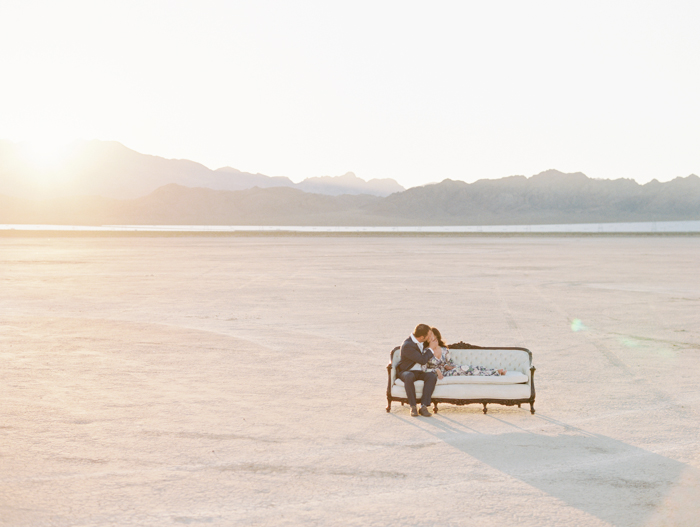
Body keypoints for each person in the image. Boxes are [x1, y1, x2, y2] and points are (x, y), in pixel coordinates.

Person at [424, 327, 506, 377]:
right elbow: (424, 369)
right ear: (427, 340)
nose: (434, 341)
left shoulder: (444, 350)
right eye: (431, 340)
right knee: (465, 369)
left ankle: (494, 371)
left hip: (449, 371)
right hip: (439, 375)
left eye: (435, 339)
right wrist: (437, 370)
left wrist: (447, 366)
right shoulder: (426, 352)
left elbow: (451, 363)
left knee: (473, 367)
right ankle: (495, 373)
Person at [396, 324, 440, 417]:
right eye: (428, 335)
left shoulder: (422, 341)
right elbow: (422, 360)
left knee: (432, 376)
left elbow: (435, 343)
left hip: (419, 372)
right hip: (406, 371)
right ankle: (413, 406)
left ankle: (423, 406)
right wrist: (431, 348)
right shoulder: (407, 345)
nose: (429, 337)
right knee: (409, 376)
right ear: (421, 337)